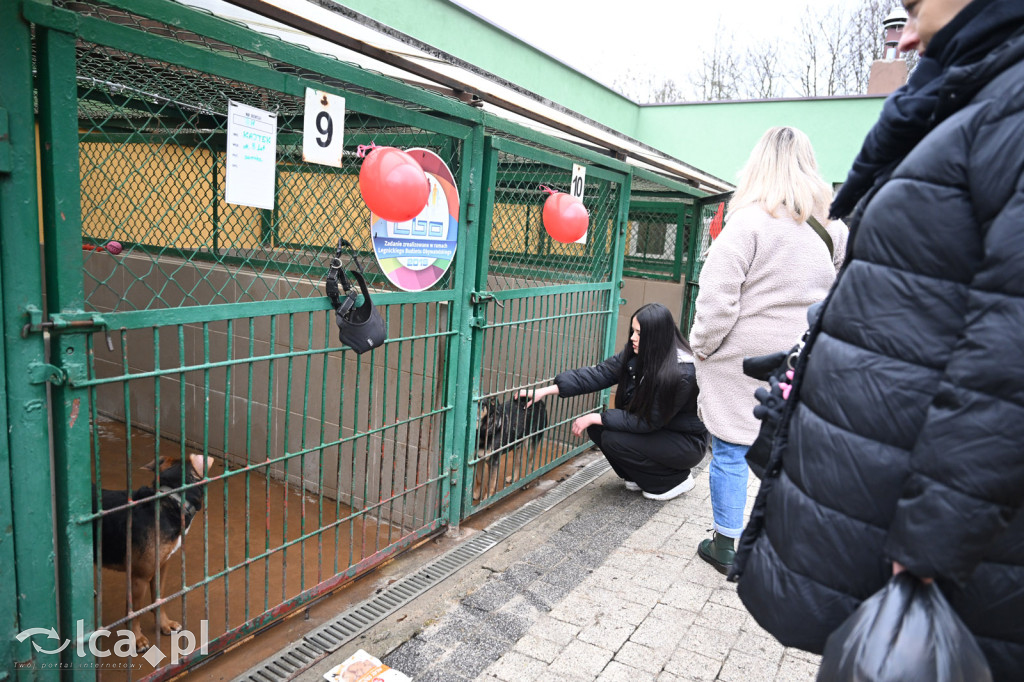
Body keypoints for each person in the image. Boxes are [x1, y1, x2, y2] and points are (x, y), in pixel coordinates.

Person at [730, 0, 1024, 678]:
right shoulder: (976, 95)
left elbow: (1009, 358)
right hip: (896, 507)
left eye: (914, 8)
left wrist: (932, 541)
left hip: (942, 553)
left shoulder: (1005, 106)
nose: (906, 33)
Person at [688, 126, 846, 574]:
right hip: (798, 359)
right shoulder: (834, 228)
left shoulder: (747, 223)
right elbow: (845, 292)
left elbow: (716, 302)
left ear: (759, 164)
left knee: (732, 450)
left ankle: (726, 545)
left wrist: (702, 347)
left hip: (740, 360)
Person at [519, 303, 708, 500]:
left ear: (656, 336)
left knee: (612, 437)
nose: (632, 337)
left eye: (639, 333)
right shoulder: (638, 352)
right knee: (598, 429)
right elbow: (600, 374)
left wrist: (597, 417)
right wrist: (545, 391)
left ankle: (673, 481)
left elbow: (649, 421)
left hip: (684, 442)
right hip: (656, 429)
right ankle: (638, 476)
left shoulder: (682, 373)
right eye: (633, 331)